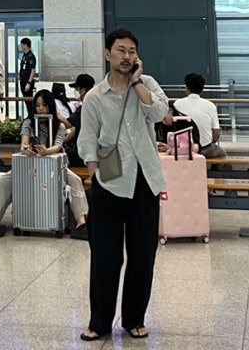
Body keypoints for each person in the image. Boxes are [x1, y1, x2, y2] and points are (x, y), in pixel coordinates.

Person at [78, 27, 169, 341]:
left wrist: (138, 83)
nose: (127, 56)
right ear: (107, 54)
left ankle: (134, 319)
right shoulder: (95, 97)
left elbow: (161, 114)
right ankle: (99, 322)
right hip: (109, 183)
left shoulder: (148, 84)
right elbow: (87, 142)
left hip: (145, 182)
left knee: (142, 256)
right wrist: (96, 175)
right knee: (105, 257)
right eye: (121, 50)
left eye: (132, 51)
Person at [0, 89, 89, 240]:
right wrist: (26, 149)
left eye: (44, 105)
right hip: (29, 164)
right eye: (37, 105)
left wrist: (46, 151)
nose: (40, 108)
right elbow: (24, 142)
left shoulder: (59, 126)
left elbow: (58, 145)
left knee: (75, 180)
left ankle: (81, 223)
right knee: (1, 183)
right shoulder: (28, 122)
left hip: (55, 165)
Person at [171, 72, 226, 158]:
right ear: (202, 89)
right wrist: (211, 142)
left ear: (187, 88)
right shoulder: (210, 105)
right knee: (222, 153)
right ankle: (215, 167)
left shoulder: (177, 104)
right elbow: (216, 133)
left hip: (183, 149)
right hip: (205, 149)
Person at [63, 74, 95, 167]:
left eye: (77, 89)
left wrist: (55, 113)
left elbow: (67, 124)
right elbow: (78, 129)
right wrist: (63, 141)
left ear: (83, 90)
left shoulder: (85, 108)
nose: (76, 92)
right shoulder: (94, 105)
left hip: (80, 153)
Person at [18, 38, 37, 118]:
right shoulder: (24, 55)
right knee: (26, 100)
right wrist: (19, 74)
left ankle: (31, 116)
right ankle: (29, 116)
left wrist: (29, 83)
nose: (21, 46)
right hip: (23, 80)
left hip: (27, 81)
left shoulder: (31, 56)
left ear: (26, 45)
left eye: (22, 45)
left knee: (29, 101)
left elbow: (33, 70)